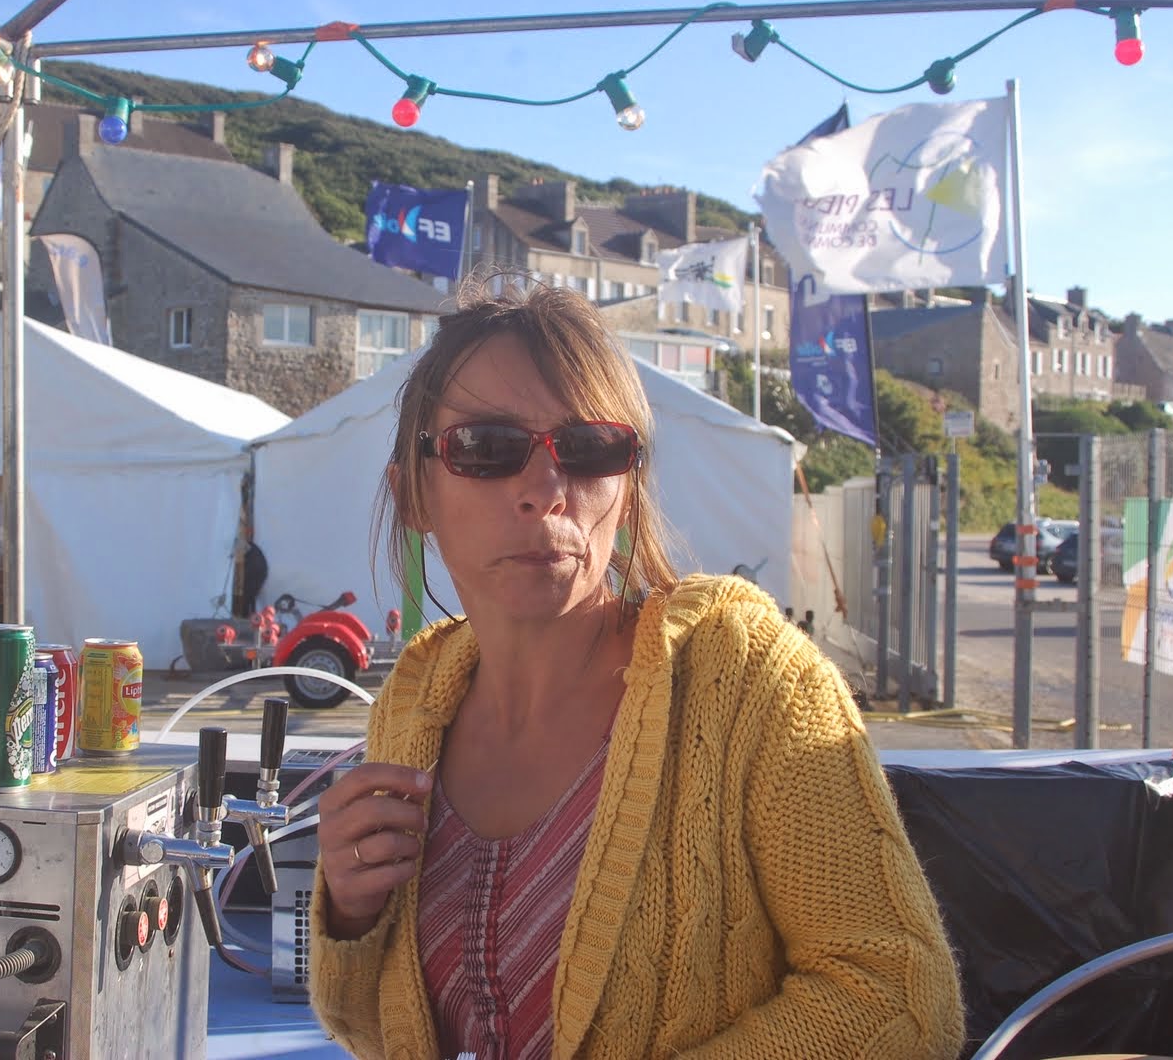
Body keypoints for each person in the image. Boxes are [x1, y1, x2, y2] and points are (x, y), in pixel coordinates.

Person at [309, 281, 963, 1059]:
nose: (545, 493)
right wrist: (350, 916)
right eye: (485, 447)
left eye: (590, 448)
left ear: (629, 487)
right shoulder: (414, 701)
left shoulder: (747, 676)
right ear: (414, 492)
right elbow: (375, 1031)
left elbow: (902, 1003)